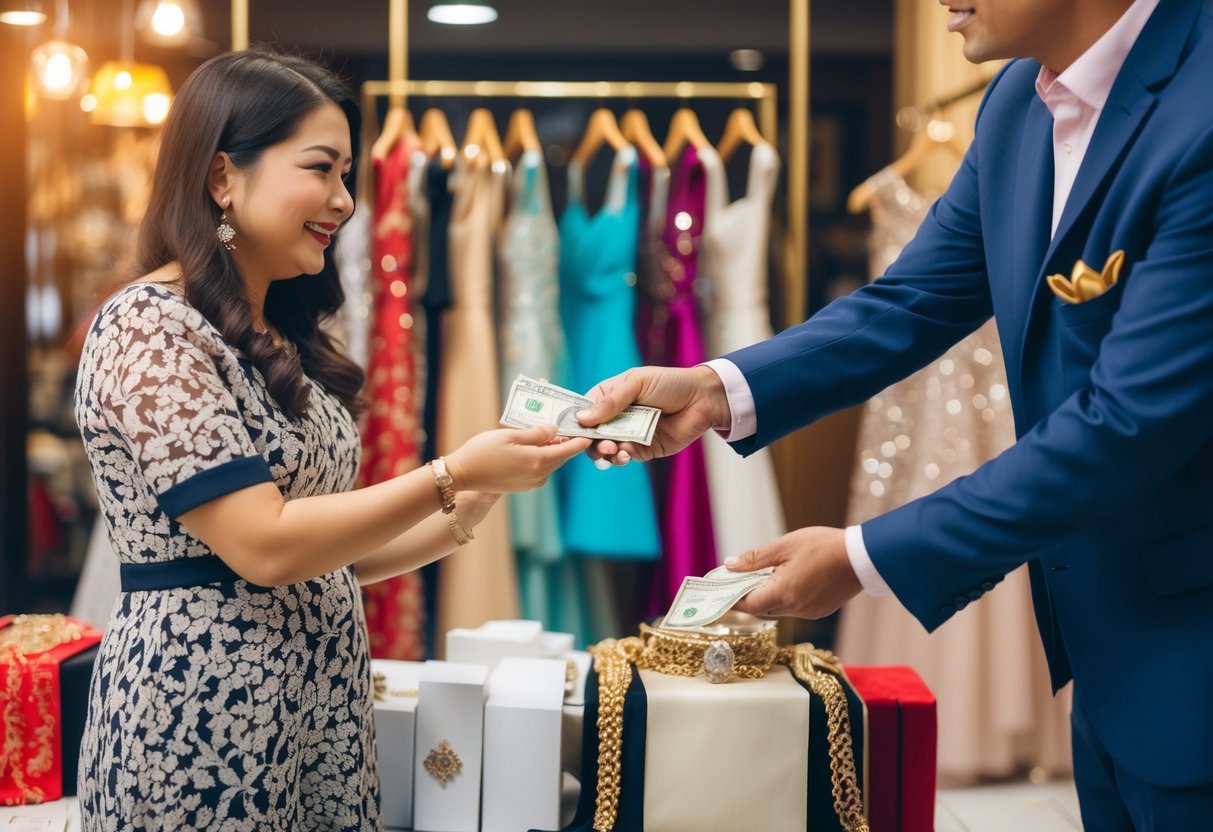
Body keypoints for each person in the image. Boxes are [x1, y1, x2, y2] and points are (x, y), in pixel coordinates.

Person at [579, 0, 1213, 827]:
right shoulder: (1017, 103)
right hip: (1108, 651)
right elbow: (909, 302)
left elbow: (1123, 423)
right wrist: (710, 390)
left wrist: (860, 557)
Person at [73, 49, 588, 831]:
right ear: (222, 177)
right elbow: (266, 547)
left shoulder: (275, 332)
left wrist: (469, 507)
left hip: (319, 714)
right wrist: (447, 474)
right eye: (322, 169)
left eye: (348, 174)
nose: (344, 201)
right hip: (200, 715)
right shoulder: (150, 329)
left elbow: (326, 552)